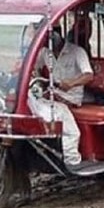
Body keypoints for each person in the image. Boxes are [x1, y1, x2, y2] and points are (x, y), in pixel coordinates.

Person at [28, 23, 94, 171]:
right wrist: (37, 78)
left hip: (68, 99)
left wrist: (71, 84)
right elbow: (34, 67)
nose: (44, 45)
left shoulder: (77, 52)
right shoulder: (45, 52)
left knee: (71, 133)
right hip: (49, 97)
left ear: (55, 36)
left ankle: (72, 163)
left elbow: (89, 75)